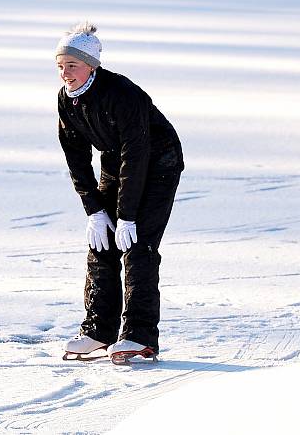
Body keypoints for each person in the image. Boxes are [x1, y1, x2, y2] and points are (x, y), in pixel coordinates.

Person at [55, 22, 184, 363]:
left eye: (72, 65)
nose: (65, 73)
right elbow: (76, 157)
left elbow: (138, 154)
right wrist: (94, 210)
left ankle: (140, 337)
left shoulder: (124, 94)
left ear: (92, 65)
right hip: (117, 163)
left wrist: (126, 215)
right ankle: (98, 331)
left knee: (137, 244)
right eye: (60, 66)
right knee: (101, 244)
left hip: (159, 163)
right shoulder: (67, 100)